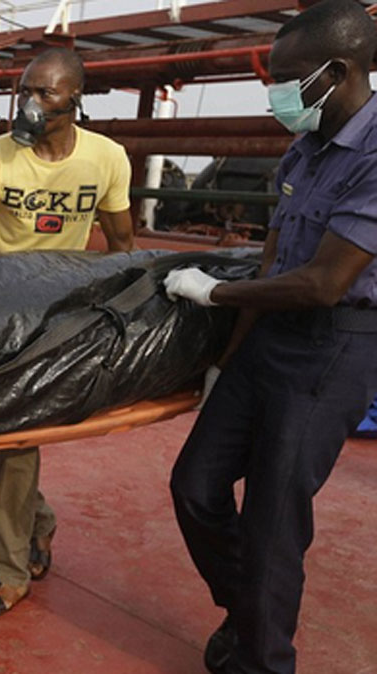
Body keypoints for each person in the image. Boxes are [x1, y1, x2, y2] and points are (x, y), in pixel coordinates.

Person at [164, 2, 376, 672]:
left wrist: (213, 292)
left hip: (331, 347)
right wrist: (224, 361)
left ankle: (262, 658)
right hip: (268, 343)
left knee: (273, 526)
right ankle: (251, 609)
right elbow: (273, 261)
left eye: (286, 77)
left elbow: (323, 282)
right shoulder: (305, 147)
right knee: (195, 486)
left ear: (337, 72)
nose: (274, 92)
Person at [0, 47, 136, 619]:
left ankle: (9, 573)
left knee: (19, 440)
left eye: (44, 94)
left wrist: (117, 315)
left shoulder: (107, 159)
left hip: (58, 314)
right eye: (24, 90)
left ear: (74, 100)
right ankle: (41, 520)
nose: (29, 103)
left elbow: (123, 244)